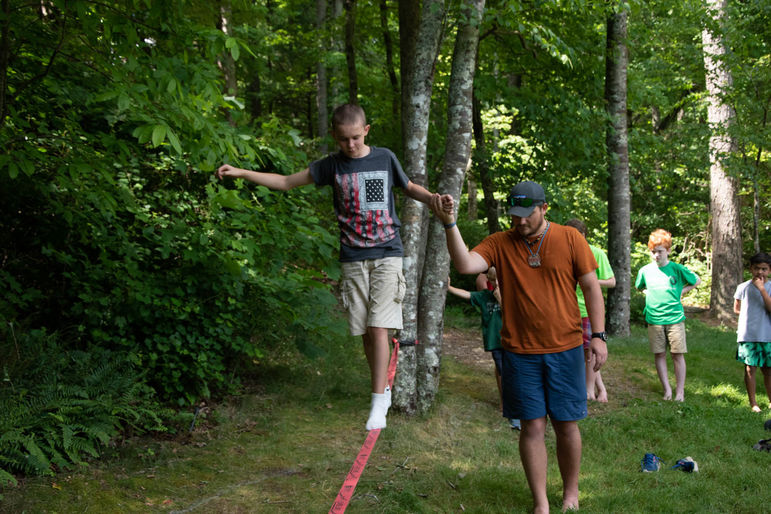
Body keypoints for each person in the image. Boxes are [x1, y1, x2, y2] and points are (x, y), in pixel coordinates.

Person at [216, 103, 451, 431]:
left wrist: (434, 200)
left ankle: (378, 401)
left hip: (387, 253)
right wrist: (241, 172)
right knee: (367, 333)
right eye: (343, 140)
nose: (350, 145)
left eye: (355, 138)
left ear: (366, 131)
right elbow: (285, 181)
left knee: (380, 327)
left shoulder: (384, 158)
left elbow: (409, 187)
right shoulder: (331, 166)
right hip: (353, 258)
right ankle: (381, 387)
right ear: (335, 138)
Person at [430, 180, 607, 514]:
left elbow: (590, 287)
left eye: (527, 215)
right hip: (519, 351)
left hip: (566, 348)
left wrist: (598, 335)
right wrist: (449, 224)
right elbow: (466, 265)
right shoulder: (500, 242)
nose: (520, 221)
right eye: (515, 215)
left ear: (544, 209)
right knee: (532, 425)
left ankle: (571, 494)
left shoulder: (570, 239)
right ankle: (541, 504)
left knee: (566, 424)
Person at [447, 268, 521, 430]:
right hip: (495, 344)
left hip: (513, 343)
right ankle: (512, 410)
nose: (495, 284)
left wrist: (501, 299)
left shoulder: (513, 296)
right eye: (492, 280)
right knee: (503, 373)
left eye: (498, 280)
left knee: (515, 374)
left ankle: (518, 412)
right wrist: (449, 288)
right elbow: (468, 294)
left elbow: (514, 317)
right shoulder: (485, 296)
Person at [635, 229, 701, 402]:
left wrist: (681, 291)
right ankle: (667, 390)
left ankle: (680, 392)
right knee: (659, 354)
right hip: (654, 319)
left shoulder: (677, 269)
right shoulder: (645, 271)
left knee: (677, 354)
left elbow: (696, 280)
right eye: (653, 252)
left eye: (660, 251)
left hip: (675, 319)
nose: (656, 255)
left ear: (668, 251)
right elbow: (639, 286)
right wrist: (648, 293)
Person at [565, 219, 616, 403]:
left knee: (590, 352)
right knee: (576, 352)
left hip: (587, 310)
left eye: (576, 238)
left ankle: (589, 391)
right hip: (567, 311)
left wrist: (589, 281)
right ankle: (599, 389)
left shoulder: (596, 253)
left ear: (584, 236)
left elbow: (611, 281)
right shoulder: (563, 253)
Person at [733, 252, 771, 412]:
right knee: (750, 368)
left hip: (767, 335)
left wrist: (762, 290)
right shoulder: (743, 287)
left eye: (764, 269)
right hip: (748, 335)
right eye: (757, 268)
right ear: (751, 269)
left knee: (768, 370)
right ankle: (753, 403)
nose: (760, 272)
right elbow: (737, 308)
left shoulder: (769, 287)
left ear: (769, 270)